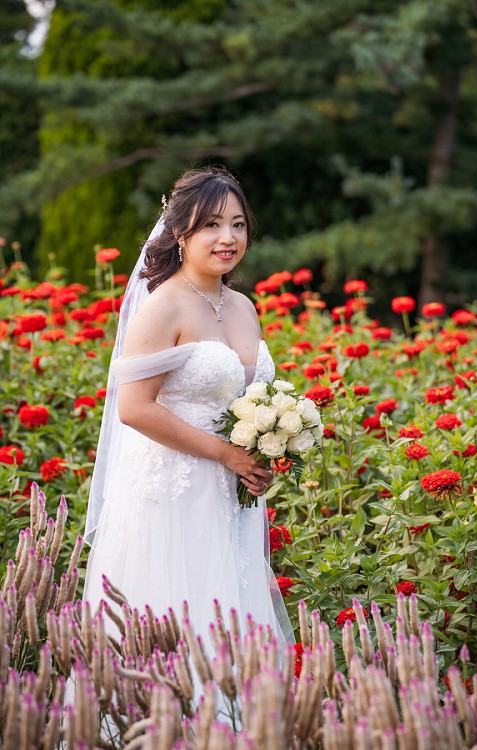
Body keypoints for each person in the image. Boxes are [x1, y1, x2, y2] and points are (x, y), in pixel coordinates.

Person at [83, 167, 294, 670]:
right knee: (174, 620)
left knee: (233, 615)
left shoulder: (242, 306)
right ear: (180, 232)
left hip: (233, 490)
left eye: (239, 224)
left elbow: (249, 397)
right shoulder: (163, 307)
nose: (228, 238)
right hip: (173, 488)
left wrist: (272, 440)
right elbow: (133, 408)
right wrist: (227, 453)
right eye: (212, 225)